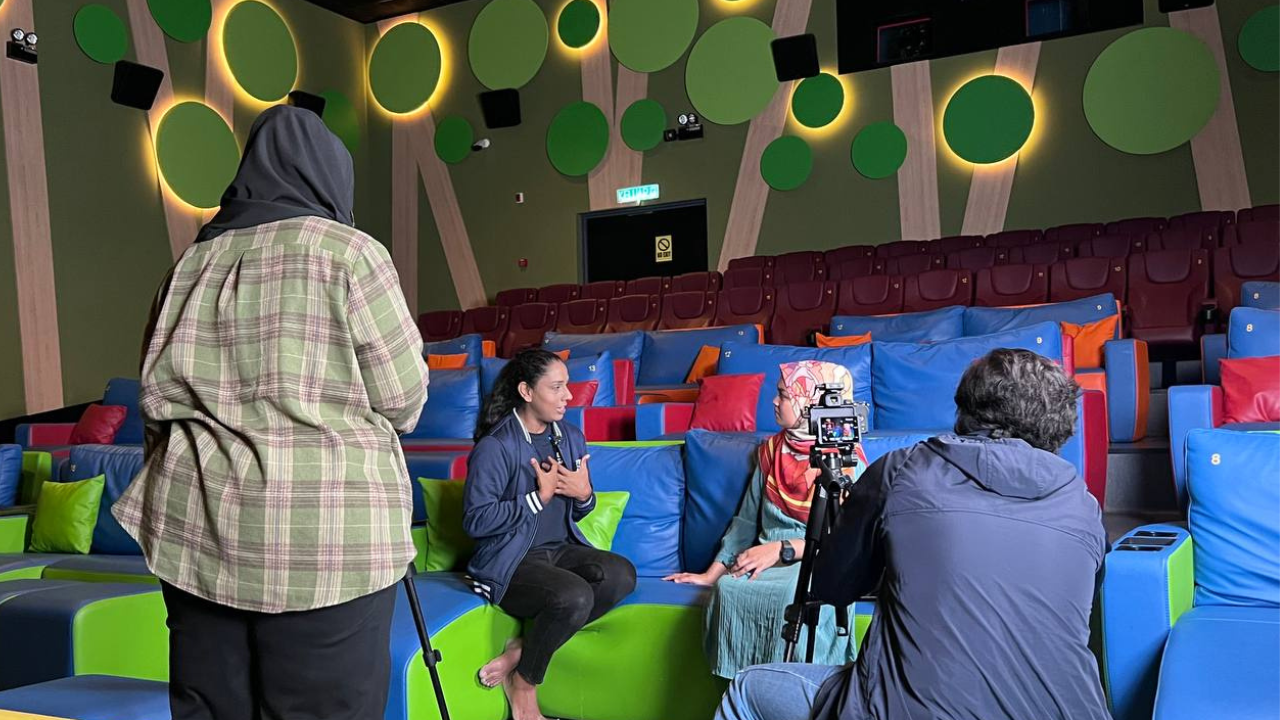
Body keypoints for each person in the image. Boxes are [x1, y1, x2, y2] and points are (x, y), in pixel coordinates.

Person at [113, 105, 429, 720]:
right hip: (327, 542)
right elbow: (404, 400)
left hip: (196, 530)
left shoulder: (188, 265)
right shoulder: (352, 254)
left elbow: (154, 404)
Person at [714, 348, 1111, 720]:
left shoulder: (902, 470)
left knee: (748, 689)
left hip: (906, 708)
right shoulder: (1084, 505)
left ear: (964, 409)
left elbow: (832, 587)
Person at [463, 349, 637, 720]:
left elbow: (580, 508)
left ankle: (521, 651)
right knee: (573, 596)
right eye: (556, 387)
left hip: (558, 550)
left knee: (621, 574)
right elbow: (476, 521)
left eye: (567, 386)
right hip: (510, 562)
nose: (568, 396)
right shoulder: (495, 446)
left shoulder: (570, 437)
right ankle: (524, 685)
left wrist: (585, 495)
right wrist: (535, 499)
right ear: (526, 392)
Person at [665, 361, 867, 679]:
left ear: (810, 404)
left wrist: (781, 549)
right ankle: (743, 689)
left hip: (816, 559)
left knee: (794, 599)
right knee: (728, 588)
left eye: (784, 395)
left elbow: (846, 540)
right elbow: (746, 521)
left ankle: (790, 688)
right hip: (766, 555)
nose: (774, 401)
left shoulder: (844, 460)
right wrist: (711, 574)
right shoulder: (772, 450)